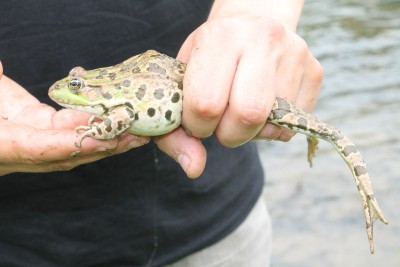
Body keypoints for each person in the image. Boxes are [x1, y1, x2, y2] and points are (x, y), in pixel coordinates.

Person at [0, 0, 322, 266]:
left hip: (216, 221)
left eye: (76, 86)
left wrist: (255, 15)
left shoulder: (112, 103)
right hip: (20, 243)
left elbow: (122, 116)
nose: (60, 90)